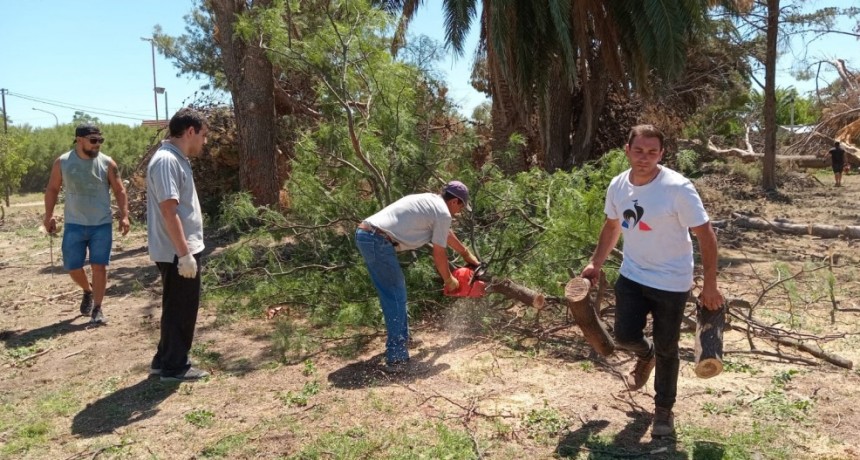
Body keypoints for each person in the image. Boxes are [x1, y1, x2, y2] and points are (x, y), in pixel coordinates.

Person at [581, 124, 723, 438]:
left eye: (652, 152)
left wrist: (709, 284)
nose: (645, 157)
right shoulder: (618, 185)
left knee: (668, 347)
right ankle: (645, 356)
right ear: (627, 150)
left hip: (672, 282)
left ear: (662, 153)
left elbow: (706, 235)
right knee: (624, 335)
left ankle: (663, 412)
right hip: (632, 275)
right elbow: (611, 226)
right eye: (639, 150)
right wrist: (596, 262)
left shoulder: (677, 187)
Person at [356, 181, 481, 373]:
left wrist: (465, 254)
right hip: (377, 239)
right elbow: (439, 253)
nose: (460, 211)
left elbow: (445, 234)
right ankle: (396, 358)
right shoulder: (442, 212)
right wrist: (448, 279)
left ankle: (401, 342)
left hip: (369, 235)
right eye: (462, 206)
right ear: (456, 201)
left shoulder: (432, 202)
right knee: (395, 295)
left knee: (396, 292)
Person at [146, 108, 210, 382]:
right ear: (190, 131)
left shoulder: (176, 158)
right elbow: (169, 211)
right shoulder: (166, 161)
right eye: (203, 135)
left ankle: (164, 360)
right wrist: (184, 254)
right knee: (182, 308)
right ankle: (175, 367)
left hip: (180, 249)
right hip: (176, 251)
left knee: (176, 305)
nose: (204, 142)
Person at [44, 123, 130, 325]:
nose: (97, 145)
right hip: (74, 224)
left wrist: (124, 215)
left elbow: (119, 190)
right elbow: (52, 189)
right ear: (79, 140)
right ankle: (87, 291)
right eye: (93, 141)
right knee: (72, 266)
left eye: (100, 141)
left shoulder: (107, 163)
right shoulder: (63, 163)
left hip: (101, 225)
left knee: (99, 267)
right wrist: (48, 215)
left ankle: (98, 309)